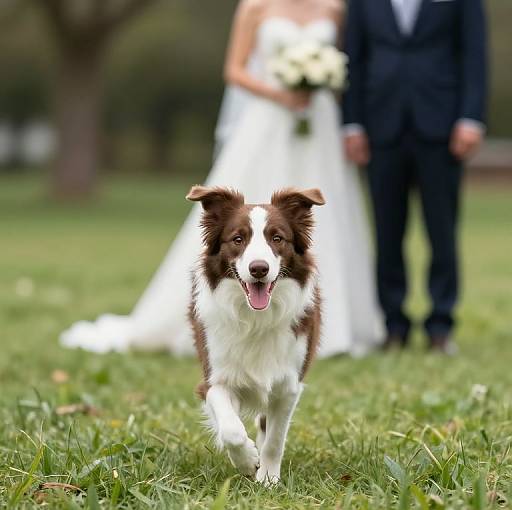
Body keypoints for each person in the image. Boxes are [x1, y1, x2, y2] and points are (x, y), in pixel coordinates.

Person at [61, 0, 383, 357]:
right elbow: (235, 70)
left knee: (328, 220)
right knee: (247, 217)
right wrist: (282, 93)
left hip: (318, 121)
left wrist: (322, 83)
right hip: (270, 118)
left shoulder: (334, 9)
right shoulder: (255, 6)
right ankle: (219, 317)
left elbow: (348, 63)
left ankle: (331, 326)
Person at [342, 0, 487, 353]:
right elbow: (354, 60)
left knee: (442, 230)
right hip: (380, 127)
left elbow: (474, 54)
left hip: (442, 127)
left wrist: (470, 117)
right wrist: (352, 123)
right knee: (387, 232)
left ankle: (441, 324)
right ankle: (394, 324)